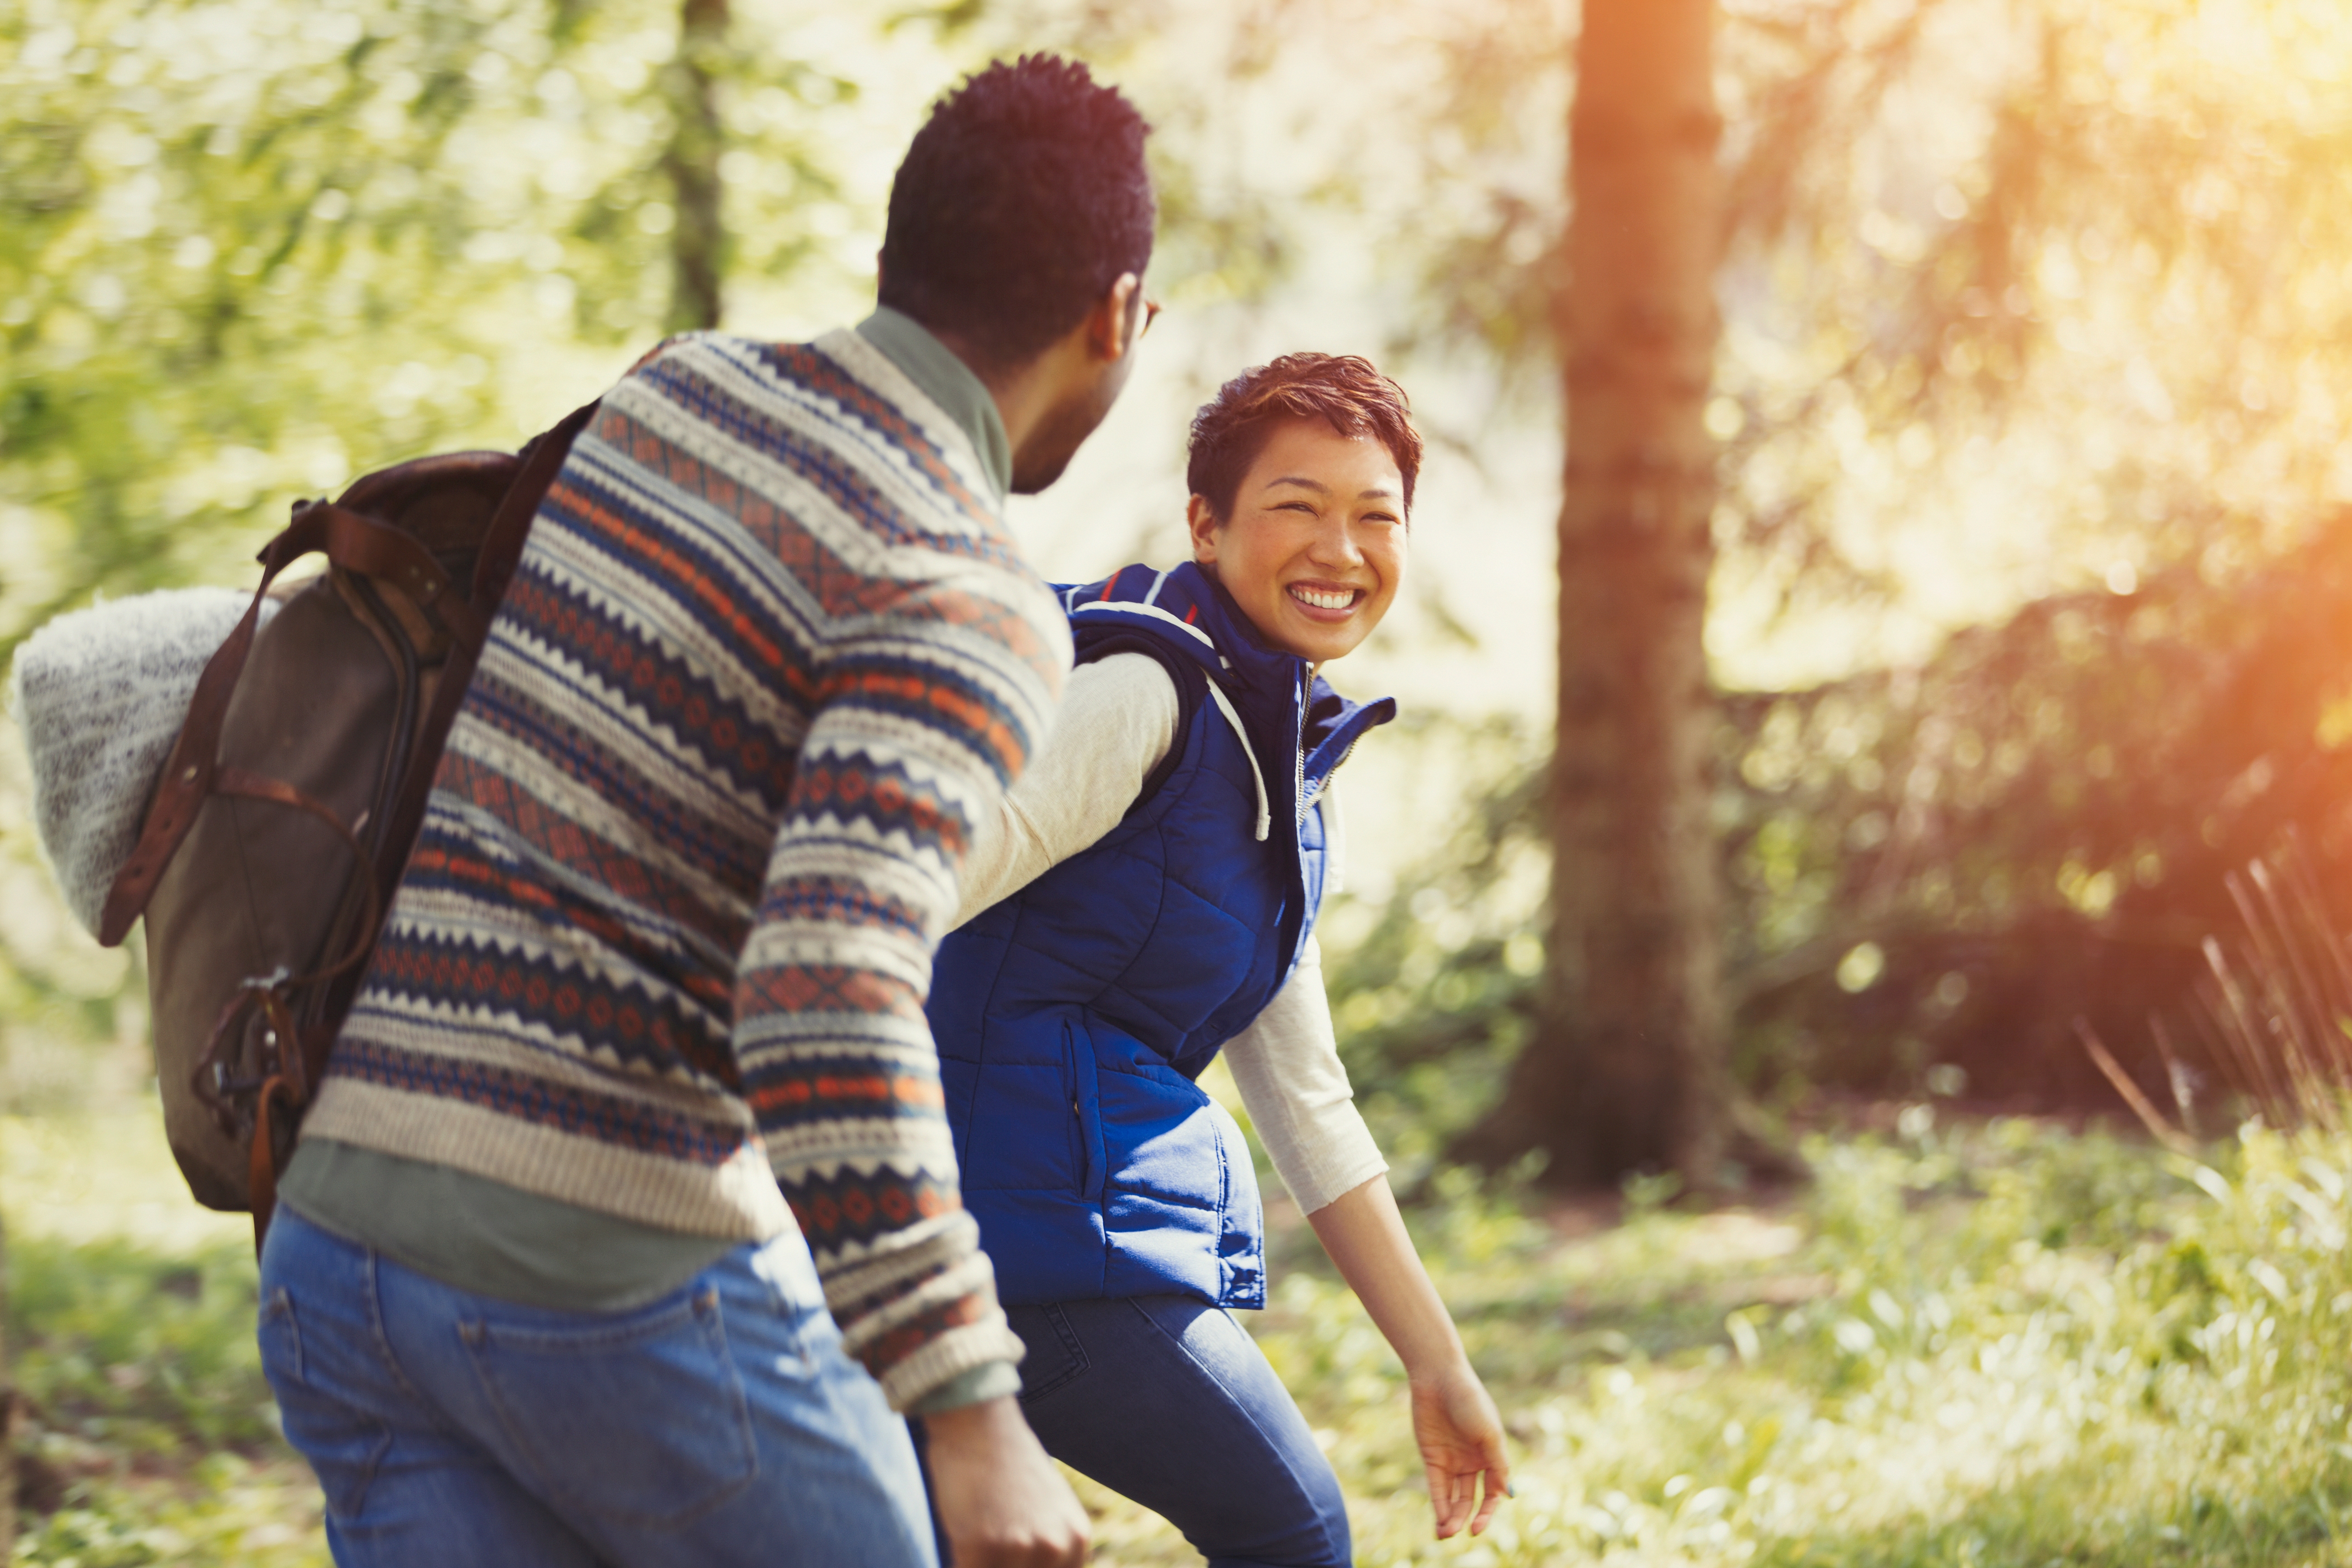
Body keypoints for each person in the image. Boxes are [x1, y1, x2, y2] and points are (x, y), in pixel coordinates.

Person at [240, 55, 1152, 1568]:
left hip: (341, 1252)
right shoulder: (959, 584)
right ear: (1115, 314)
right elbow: (822, 995)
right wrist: (971, 1408)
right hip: (602, 1275)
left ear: (899, 252)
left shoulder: (670, 394)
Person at [924, 352, 1511, 1567]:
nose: (1338, 553)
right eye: (1296, 508)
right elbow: (888, 905)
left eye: (1374, 517)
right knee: (1287, 1530)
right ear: (1207, 522)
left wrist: (1435, 1360)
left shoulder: (1279, 764)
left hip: (1059, 1231)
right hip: (1008, 1249)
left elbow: (1304, 1097)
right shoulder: (1143, 694)